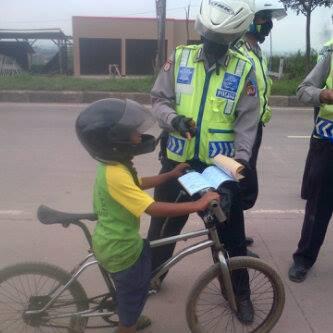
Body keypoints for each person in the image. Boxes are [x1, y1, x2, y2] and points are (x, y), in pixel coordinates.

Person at [147, 0, 259, 322]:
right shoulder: (180, 57)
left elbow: (246, 124)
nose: (212, 47)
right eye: (209, 39)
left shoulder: (242, 68)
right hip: (177, 166)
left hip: (218, 169)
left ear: (232, 39)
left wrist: (241, 164)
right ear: (203, 32)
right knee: (163, 227)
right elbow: (158, 99)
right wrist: (173, 120)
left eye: (219, 43)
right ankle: (152, 276)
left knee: (231, 235)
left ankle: (239, 293)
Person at [75, 98, 220, 333]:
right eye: (133, 132)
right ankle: (127, 323)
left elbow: (137, 184)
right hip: (120, 250)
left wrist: (170, 175)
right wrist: (198, 204)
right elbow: (153, 208)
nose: (139, 136)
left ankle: (128, 312)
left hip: (116, 242)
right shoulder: (116, 173)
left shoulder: (113, 167)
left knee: (142, 277)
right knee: (136, 288)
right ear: (115, 141)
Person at [234, 0, 287, 210]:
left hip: (256, 124)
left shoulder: (256, 51)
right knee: (239, 178)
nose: (268, 24)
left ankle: (234, 230)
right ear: (248, 20)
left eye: (270, 19)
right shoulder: (238, 50)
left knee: (245, 178)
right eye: (263, 18)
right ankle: (230, 235)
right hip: (242, 124)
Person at [288, 45, 333, 283]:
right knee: (318, 206)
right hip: (328, 145)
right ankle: (304, 258)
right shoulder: (331, 55)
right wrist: (324, 95)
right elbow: (303, 90)